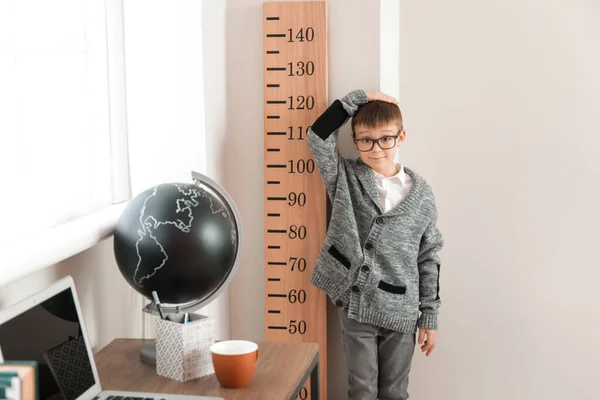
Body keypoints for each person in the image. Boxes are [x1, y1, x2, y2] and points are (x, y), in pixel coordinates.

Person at [307, 89, 444, 399]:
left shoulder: (421, 195)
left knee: (395, 393)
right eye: (365, 140)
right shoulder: (346, 177)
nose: (376, 148)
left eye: (386, 139)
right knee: (362, 390)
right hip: (357, 305)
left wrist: (429, 316)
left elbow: (429, 258)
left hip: (402, 312)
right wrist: (357, 98)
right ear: (355, 140)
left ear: (401, 136)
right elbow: (317, 136)